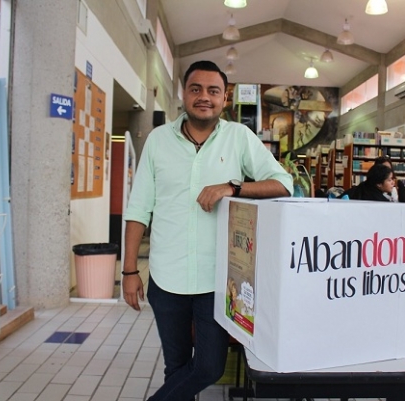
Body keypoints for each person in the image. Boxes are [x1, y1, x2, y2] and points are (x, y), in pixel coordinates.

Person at [122, 60, 293, 401]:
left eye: (213, 91)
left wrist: (233, 186)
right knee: (177, 367)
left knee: (209, 367)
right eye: (196, 89)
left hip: (219, 280)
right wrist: (129, 270)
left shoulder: (239, 138)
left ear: (224, 98)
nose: (204, 97)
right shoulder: (158, 141)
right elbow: (139, 209)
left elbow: (284, 184)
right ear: (183, 94)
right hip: (166, 277)